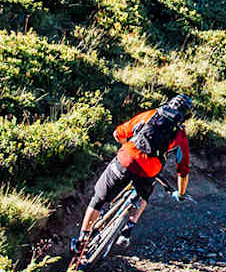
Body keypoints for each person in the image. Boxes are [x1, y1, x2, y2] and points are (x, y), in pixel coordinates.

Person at [72, 94, 192, 255]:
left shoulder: (151, 114)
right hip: (150, 169)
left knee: (99, 198)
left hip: (126, 159)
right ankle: (127, 230)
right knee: (143, 195)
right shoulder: (180, 134)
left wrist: (127, 146)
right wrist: (181, 193)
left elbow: (118, 133)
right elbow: (183, 170)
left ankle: (82, 238)